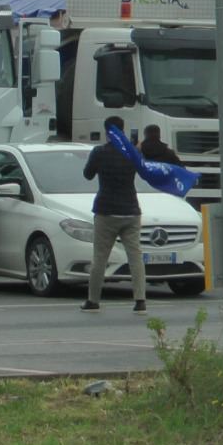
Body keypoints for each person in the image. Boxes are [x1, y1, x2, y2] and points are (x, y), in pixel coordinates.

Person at [81, 116, 147, 314]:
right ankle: (140, 300)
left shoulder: (100, 152)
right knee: (135, 256)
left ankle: (93, 300)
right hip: (131, 210)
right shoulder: (132, 151)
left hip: (106, 210)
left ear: (106, 131)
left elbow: (88, 174)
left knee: (100, 257)